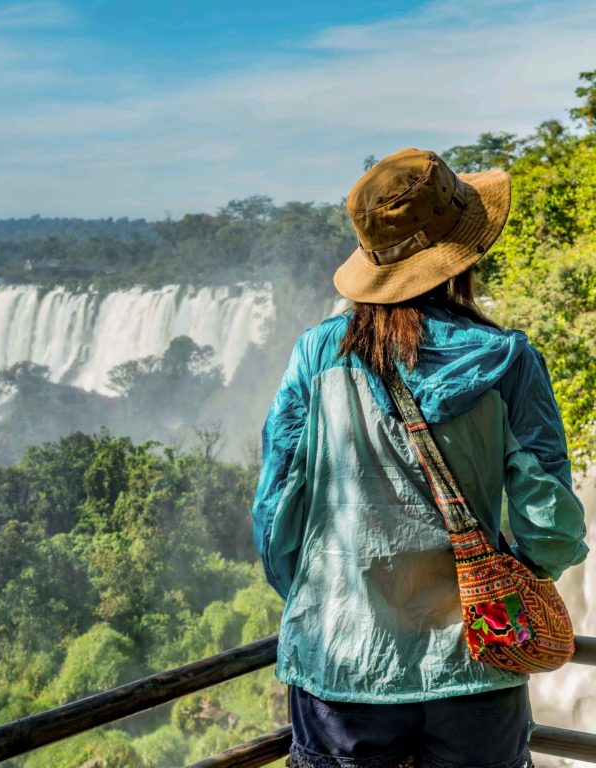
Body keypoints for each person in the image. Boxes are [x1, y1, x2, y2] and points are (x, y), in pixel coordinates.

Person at [251, 148, 589, 768]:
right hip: (477, 663)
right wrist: (504, 570)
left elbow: (276, 516)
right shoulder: (508, 360)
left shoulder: (318, 356)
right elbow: (555, 528)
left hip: (342, 667)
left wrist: (331, 596)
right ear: (463, 253)